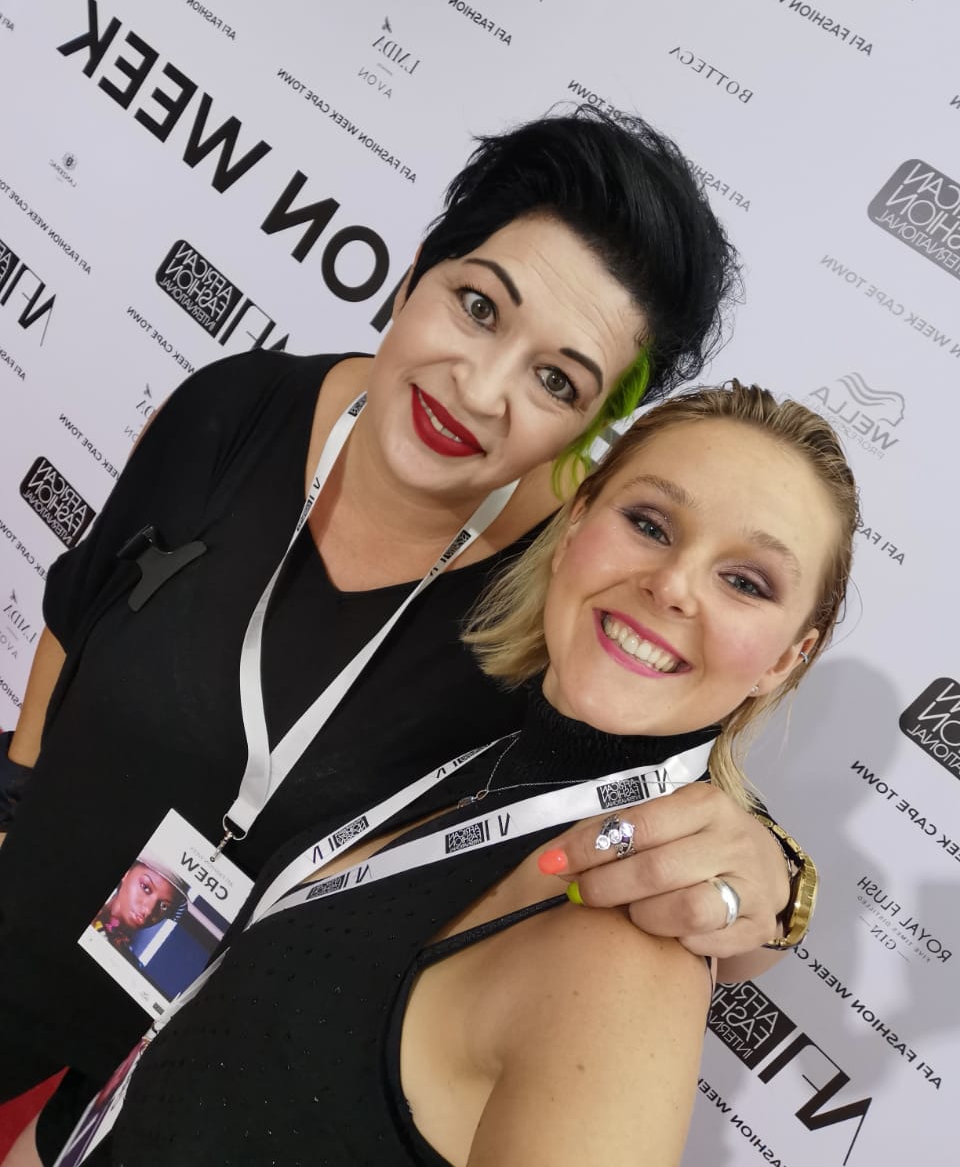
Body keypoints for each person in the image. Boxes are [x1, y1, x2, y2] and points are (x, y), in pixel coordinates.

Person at [0, 108, 799, 1164]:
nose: (481, 389)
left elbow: (670, 817)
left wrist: (781, 887)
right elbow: (78, 613)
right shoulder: (235, 408)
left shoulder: (565, 600)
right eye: (478, 306)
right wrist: (15, 796)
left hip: (151, 1082)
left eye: (557, 380)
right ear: (416, 272)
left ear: (589, 431)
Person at [56, 381, 857, 1166]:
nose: (672, 586)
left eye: (746, 582)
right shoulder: (484, 746)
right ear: (576, 521)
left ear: (786, 659)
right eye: (649, 523)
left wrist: (786, 889)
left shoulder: (625, 955)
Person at [90, 860, 187, 960]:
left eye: (164, 906)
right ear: (126, 873)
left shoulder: (127, 961)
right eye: (145, 887)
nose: (149, 910)